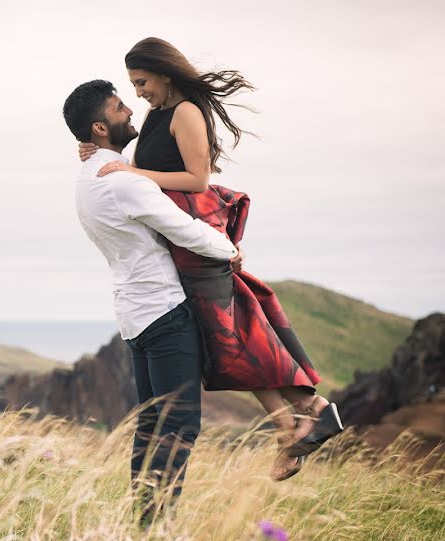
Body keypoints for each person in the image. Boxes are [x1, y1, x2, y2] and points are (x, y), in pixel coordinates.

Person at [77, 38, 344, 483]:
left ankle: (303, 414)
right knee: (224, 336)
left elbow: (196, 178)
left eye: (141, 83)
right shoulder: (157, 113)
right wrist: (99, 154)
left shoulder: (185, 112)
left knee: (226, 335)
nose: (139, 93)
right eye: (133, 87)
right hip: (179, 238)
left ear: (164, 73)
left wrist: (131, 171)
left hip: (195, 230)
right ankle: (299, 418)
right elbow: (135, 165)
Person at [63, 80, 244, 527]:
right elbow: (180, 227)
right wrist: (229, 250)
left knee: (151, 428)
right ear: (101, 128)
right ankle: (154, 532)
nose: (132, 111)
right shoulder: (122, 182)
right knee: (178, 428)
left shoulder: (89, 177)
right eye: (121, 107)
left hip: (135, 316)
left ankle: (143, 526)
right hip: (164, 312)